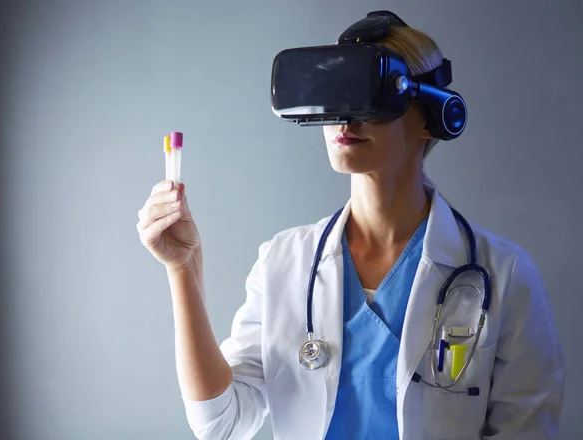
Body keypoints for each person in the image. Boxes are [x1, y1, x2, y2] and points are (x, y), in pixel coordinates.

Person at [137, 11, 565, 440]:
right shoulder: (282, 262)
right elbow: (221, 423)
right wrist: (183, 269)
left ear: (431, 114)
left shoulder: (505, 275)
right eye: (335, 93)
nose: (345, 116)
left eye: (370, 94)